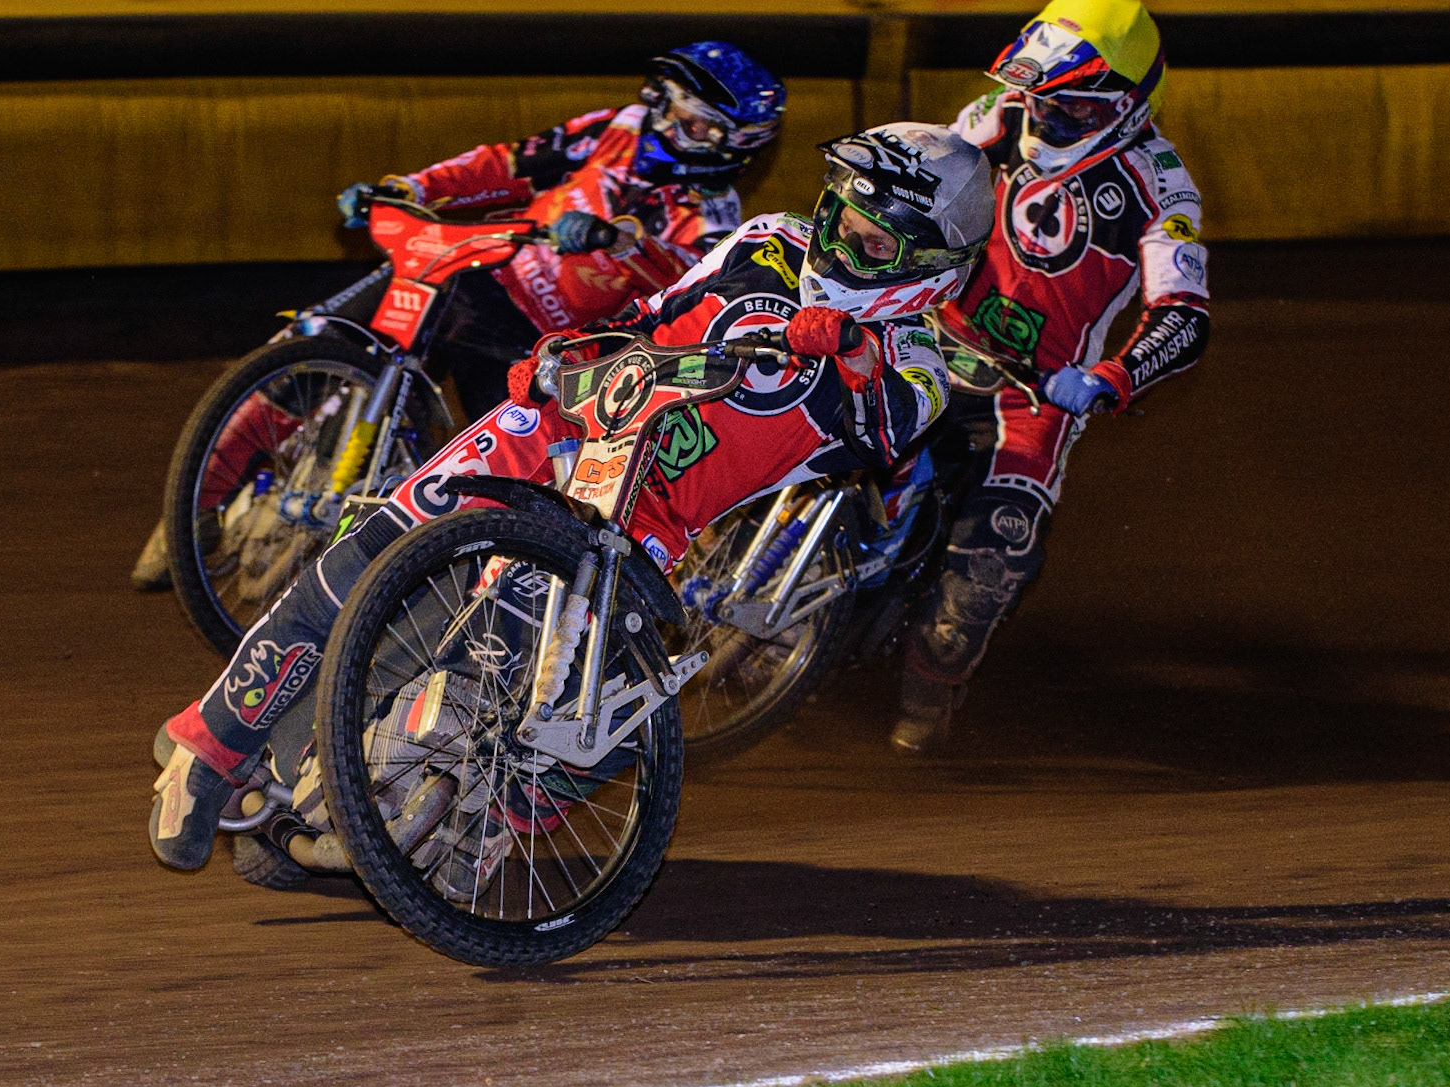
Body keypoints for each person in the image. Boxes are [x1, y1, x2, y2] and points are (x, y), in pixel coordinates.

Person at [148, 122, 996, 871]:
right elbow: (652, 311)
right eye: (842, 218)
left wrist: (851, 352)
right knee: (365, 556)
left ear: (930, 261)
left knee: (565, 695)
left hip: (644, 515)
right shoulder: (767, 240)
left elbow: (884, 426)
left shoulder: (917, 358)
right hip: (554, 426)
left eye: (873, 242)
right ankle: (208, 745)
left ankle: (459, 824)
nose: (842, 246)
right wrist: (567, 351)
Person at [130, 42, 785, 590]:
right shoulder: (619, 128)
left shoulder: (713, 225)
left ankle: (415, 589)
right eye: (668, 104)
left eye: (690, 121)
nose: (667, 124)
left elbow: (678, 301)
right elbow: (509, 164)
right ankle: (196, 505)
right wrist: (414, 186)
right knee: (308, 345)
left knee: (494, 482)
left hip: (535, 345)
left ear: (733, 143)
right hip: (472, 271)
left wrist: (622, 244)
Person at [890, 0, 1212, 753]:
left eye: (1070, 106)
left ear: (1127, 103)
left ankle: (929, 691)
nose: (1045, 115)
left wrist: (1108, 378)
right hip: (927, 333)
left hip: (1034, 390)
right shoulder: (997, 116)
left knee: (990, 565)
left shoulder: (1161, 187)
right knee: (791, 402)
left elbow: (1184, 314)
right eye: (1039, 96)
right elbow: (919, 179)